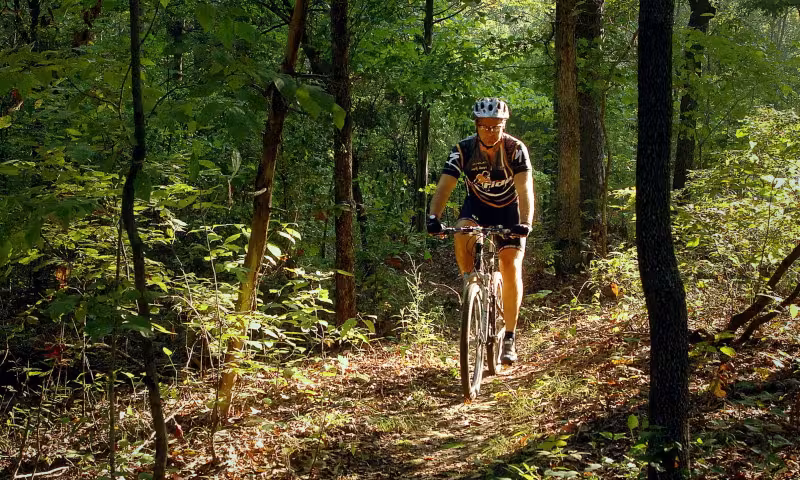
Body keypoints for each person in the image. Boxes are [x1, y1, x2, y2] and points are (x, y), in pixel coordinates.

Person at [427, 97, 534, 365]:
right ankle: (470, 283)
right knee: (462, 231)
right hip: (477, 207)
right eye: (484, 126)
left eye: (496, 125)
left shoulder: (515, 149)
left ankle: (509, 336)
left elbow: (525, 189)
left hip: (509, 209)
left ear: (503, 125)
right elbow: (445, 186)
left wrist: (526, 222)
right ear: (476, 126)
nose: (490, 131)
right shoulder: (463, 150)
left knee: (509, 264)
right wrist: (433, 217)